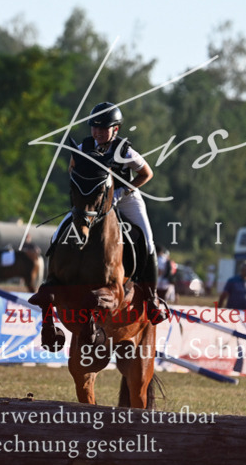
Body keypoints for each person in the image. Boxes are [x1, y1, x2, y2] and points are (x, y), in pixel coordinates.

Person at [60, 102, 169, 324]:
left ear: (115, 129)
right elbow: (72, 168)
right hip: (95, 200)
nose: (98, 132)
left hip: (126, 198)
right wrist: (83, 191)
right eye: (94, 127)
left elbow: (147, 173)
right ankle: (53, 279)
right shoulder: (83, 147)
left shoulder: (125, 151)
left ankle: (152, 299)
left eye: (103, 128)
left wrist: (122, 191)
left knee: (148, 241)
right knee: (64, 228)